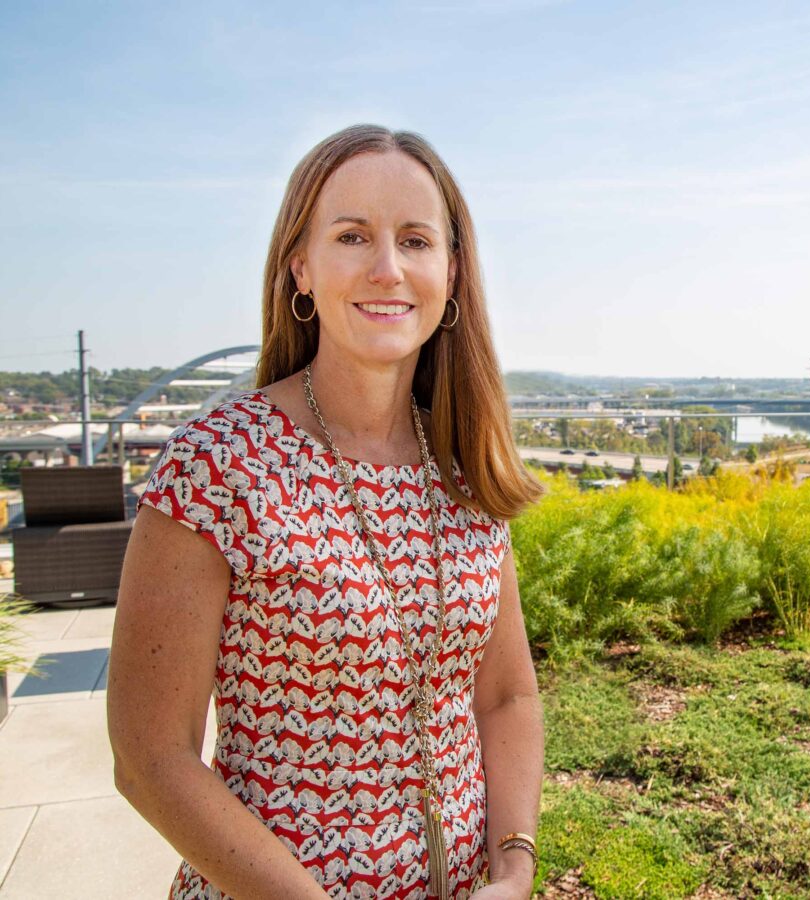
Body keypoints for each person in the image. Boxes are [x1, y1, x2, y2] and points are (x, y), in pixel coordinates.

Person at [107, 125, 546, 900]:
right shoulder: (219, 465)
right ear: (300, 269)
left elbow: (505, 696)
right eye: (352, 236)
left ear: (451, 271)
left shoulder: (463, 467)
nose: (388, 268)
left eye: (415, 239)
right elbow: (151, 757)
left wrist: (513, 868)